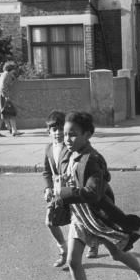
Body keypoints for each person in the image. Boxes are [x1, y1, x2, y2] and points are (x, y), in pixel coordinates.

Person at [49, 111, 140, 280]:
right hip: (79, 216)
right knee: (73, 261)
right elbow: (67, 176)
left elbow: (93, 193)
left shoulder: (92, 159)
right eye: (65, 134)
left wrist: (63, 193)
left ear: (87, 135)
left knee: (116, 253)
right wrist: (56, 188)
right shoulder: (69, 152)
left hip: (97, 217)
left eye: (73, 134)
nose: (67, 139)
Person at [42, 111, 99, 266]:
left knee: (85, 220)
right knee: (50, 221)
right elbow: (47, 171)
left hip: (74, 192)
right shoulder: (48, 149)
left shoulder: (72, 148)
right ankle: (63, 249)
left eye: (61, 129)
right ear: (49, 132)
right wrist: (48, 188)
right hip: (59, 192)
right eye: (54, 130)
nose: (58, 133)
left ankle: (93, 244)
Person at [0, 61, 23, 137]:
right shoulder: (7, 75)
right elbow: (4, 86)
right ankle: (14, 131)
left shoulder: (4, 74)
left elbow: (5, 84)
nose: (15, 71)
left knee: (3, 113)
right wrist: (7, 96)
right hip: (3, 95)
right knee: (10, 113)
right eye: (14, 69)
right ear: (11, 69)